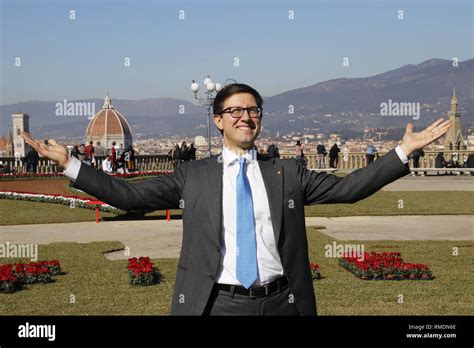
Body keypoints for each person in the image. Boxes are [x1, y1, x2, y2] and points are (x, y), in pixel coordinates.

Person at [21, 83, 452, 316]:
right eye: (236, 111)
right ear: (218, 120)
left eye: (255, 110)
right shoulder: (193, 175)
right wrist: (71, 164)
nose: (247, 116)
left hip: (283, 302)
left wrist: (402, 152)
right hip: (217, 303)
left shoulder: (287, 173)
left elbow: (349, 189)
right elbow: (130, 197)